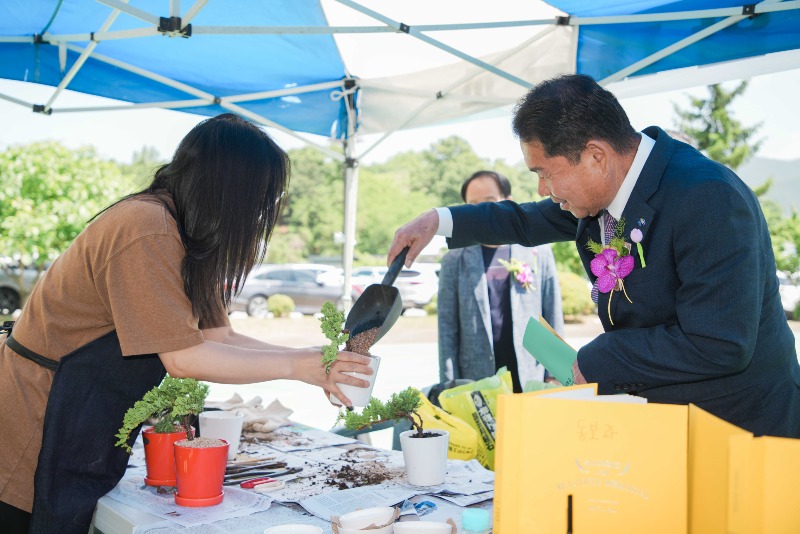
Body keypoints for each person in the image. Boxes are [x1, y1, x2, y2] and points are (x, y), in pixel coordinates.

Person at [0, 114, 372, 533]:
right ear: (231, 189)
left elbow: (220, 336)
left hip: (83, 413)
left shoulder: (190, 239)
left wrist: (313, 362)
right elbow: (183, 356)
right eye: (260, 198)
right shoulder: (147, 226)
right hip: (37, 417)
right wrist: (298, 367)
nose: (261, 213)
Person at [388, 74, 800, 439]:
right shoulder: (606, 189)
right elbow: (524, 221)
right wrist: (436, 220)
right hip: (666, 424)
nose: (544, 189)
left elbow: (718, 343)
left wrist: (597, 359)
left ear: (596, 155)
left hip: (738, 429)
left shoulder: (708, 198)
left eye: (545, 173)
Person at [438, 170, 564, 393]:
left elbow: (552, 313)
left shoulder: (538, 252)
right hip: (475, 378)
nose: (480, 212)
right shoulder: (455, 259)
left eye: (488, 203)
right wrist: (447, 386)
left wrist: (554, 374)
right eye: (471, 205)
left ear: (508, 203)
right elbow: (447, 330)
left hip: (528, 371)